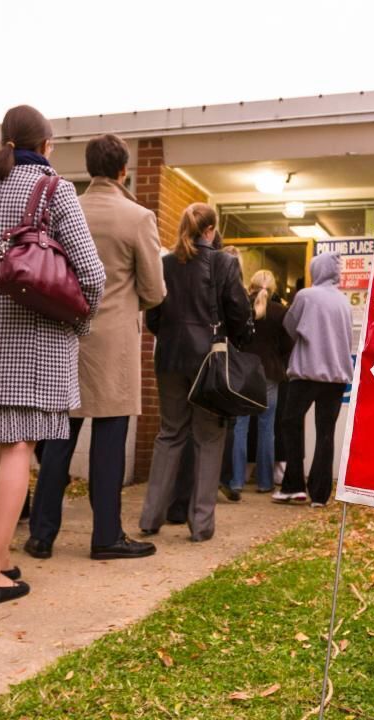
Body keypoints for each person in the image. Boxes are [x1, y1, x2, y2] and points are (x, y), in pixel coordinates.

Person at [0, 105, 105, 607]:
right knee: (18, 448)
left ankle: (1, 553)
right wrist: (76, 323)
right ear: (47, 145)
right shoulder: (56, 191)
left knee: (5, 446)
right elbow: (92, 276)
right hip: (39, 342)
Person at [25, 134, 165, 561]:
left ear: (89, 167)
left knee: (58, 442)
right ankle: (106, 535)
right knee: (109, 444)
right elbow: (155, 289)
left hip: (66, 336)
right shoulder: (138, 217)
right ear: (124, 169)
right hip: (115, 344)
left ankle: (41, 534)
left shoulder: (63, 210)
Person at [139, 203, 251, 542]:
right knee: (208, 438)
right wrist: (239, 340)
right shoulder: (224, 262)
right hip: (209, 361)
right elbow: (239, 313)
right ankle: (200, 524)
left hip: (170, 357)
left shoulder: (166, 264)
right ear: (211, 230)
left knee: (169, 434)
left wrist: (172, 336)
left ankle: (150, 517)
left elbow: (153, 317)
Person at [273, 252, 353, 507]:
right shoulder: (344, 302)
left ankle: (293, 485)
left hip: (307, 372)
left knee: (290, 423)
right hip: (337, 375)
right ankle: (320, 494)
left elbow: (289, 324)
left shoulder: (306, 296)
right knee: (326, 432)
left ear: (315, 270)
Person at [222, 270, 293, 501]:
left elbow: (233, 339)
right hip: (270, 373)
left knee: (241, 426)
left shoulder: (242, 309)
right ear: (273, 288)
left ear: (251, 285)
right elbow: (287, 345)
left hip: (244, 372)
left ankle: (236, 481)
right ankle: (264, 482)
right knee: (267, 428)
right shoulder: (281, 312)